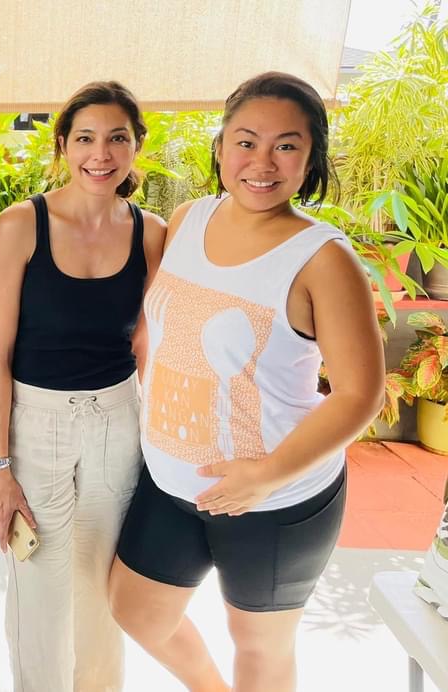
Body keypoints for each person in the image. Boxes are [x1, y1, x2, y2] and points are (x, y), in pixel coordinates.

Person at [108, 72, 385, 692]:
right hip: (171, 480)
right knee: (136, 609)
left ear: (311, 159)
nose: (262, 162)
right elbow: (160, 332)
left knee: (259, 649)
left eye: (286, 146)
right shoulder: (188, 218)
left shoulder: (324, 259)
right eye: (246, 142)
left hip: (275, 500)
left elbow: (360, 394)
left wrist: (267, 474)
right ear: (220, 146)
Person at [0, 81, 166, 691]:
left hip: (118, 419)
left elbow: (149, 344)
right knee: (39, 582)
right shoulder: (21, 224)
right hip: (35, 423)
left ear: (137, 146)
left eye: (117, 138)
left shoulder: (151, 232)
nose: (100, 154)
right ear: (62, 145)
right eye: (85, 138)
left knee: (102, 584)